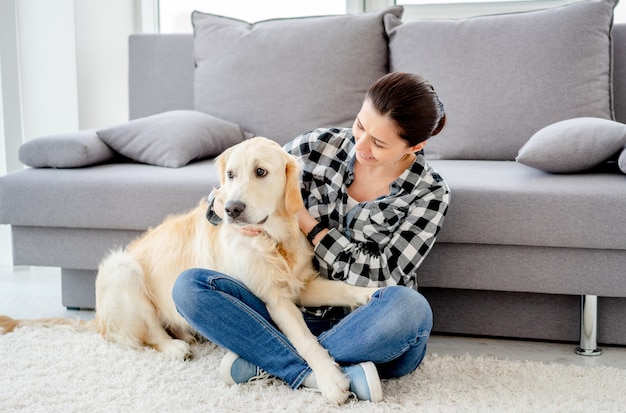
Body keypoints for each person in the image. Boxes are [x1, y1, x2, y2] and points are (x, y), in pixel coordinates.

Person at [172, 72, 450, 402]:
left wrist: (309, 224)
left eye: (379, 143)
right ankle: (312, 372)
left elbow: (383, 274)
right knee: (189, 287)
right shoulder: (315, 147)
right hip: (289, 310)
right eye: (360, 125)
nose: (360, 145)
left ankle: (270, 357)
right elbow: (237, 182)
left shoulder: (429, 193)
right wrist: (222, 203)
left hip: (368, 325)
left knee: (410, 309)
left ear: (415, 146)